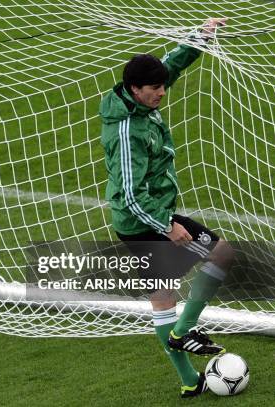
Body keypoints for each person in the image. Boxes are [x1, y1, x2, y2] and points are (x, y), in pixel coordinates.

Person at [99, 18, 234, 398]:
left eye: (162, 87)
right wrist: (166, 226)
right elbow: (127, 193)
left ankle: (189, 373)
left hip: (148, 215)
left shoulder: (137, 97)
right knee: (216, 257)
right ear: (134, 90)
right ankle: (184, 341)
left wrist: (201, 36)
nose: (162, 93)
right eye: (155, 89)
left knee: (167, 294)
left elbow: (170, 64)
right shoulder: (127, 132)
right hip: (143, 220)